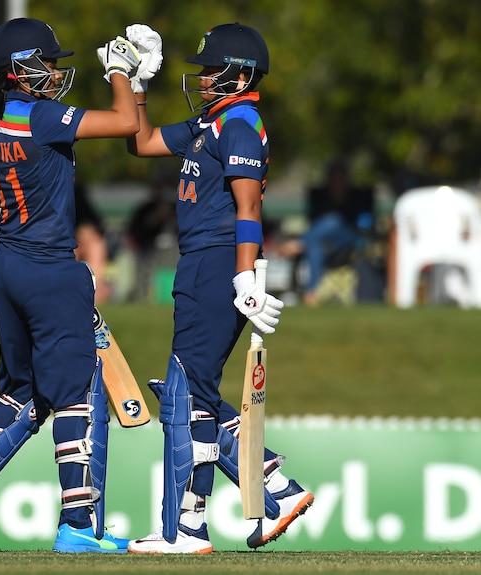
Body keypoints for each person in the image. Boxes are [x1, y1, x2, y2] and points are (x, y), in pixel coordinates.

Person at [0, 17, 141, 553]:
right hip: (49, 271)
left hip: (7, 265)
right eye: (50, 63)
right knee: (78, 392)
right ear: (22, 68)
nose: (58, 72)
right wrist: (122, 72)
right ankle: (79, 526)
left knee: (19, 391)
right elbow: (127, 123)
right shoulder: (42, 118)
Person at [123, 23, 314, 553]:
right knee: (195, 395)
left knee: (187, 393)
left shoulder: (240, 123)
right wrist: (136, 81)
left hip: (217, 261)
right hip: (199, 262)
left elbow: (249, 206)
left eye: (211, 69)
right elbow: (141, 142)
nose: (203, 77)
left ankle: (186, 528)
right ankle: (272, 488)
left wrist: (245, 274)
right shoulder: (209, 123)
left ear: (239, 74)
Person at [280, 158, 375, 305]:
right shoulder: (319, 196)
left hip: (349, 238)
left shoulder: (358, 196)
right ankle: (311, 293)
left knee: (334, 220)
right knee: (315, 247)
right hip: (324, 241)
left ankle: (300, 242)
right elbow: (314, 222)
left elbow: (362, 222)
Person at [73, 181, 111, 303]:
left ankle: (96, 289)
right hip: (63, 239)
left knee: (95, 244)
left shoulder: (78, 193)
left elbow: (92, 221)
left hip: (81, 238)